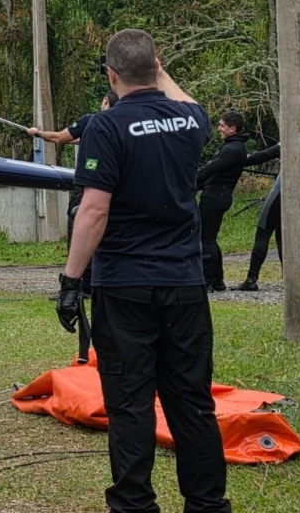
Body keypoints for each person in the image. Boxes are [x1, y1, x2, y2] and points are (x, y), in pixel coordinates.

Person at [57, 28, 231, 513]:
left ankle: (134, 505)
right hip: (184, 283)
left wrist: (72, 281)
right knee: (191, 401)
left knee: (131, 404)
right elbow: (188, 100)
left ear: (111, 76)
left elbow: (93, 211)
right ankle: (208, 504)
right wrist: (158, 67)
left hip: (125, 285)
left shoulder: (106, 128)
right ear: (156, 67)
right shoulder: (189, 121)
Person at [29, 91, 118, 292]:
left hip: (86, 185)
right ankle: (93, 282)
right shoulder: (120, 125)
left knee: (78, 228)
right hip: (112, 186)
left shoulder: (92, 121)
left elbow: (60, 137)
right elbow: (76, 139)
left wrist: (38, 133)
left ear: (105, 101)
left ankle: (75, 283)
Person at [196, 110, 249, 292]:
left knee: (206, 239)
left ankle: (209, 280)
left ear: (232, 129)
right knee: (210, 238)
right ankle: (217, 280)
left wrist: (188, 182)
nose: (219, 128)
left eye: (222, 125)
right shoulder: (233, 147)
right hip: (218, 195)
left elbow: (210, 170)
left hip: (215, 197)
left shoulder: (231, 149)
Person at [236, 143, 281, 291]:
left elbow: (262, 156)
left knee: (263, 230)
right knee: (283, 236)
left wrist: (233, 158)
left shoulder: (294, 135)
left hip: (280, 188)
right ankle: (290, 277)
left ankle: (251, 279)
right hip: (298, 192)